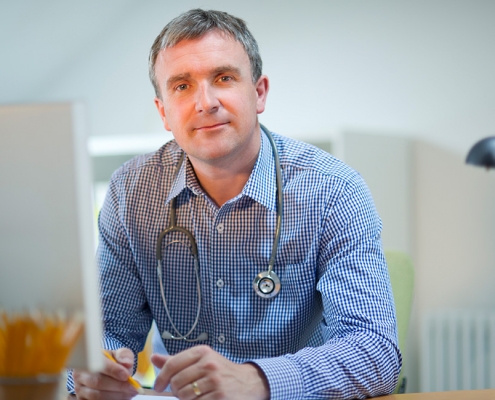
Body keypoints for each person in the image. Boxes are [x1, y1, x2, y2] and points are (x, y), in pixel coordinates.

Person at [70, 8, 401, 400]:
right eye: (181, 86)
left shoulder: (333, 191)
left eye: (223, 78)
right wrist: (93, 370)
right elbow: (107, 330)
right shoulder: (131, 192)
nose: (205, 102)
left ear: (258, 92)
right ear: (163, 112)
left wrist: (256, 381)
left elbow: (375, 351)